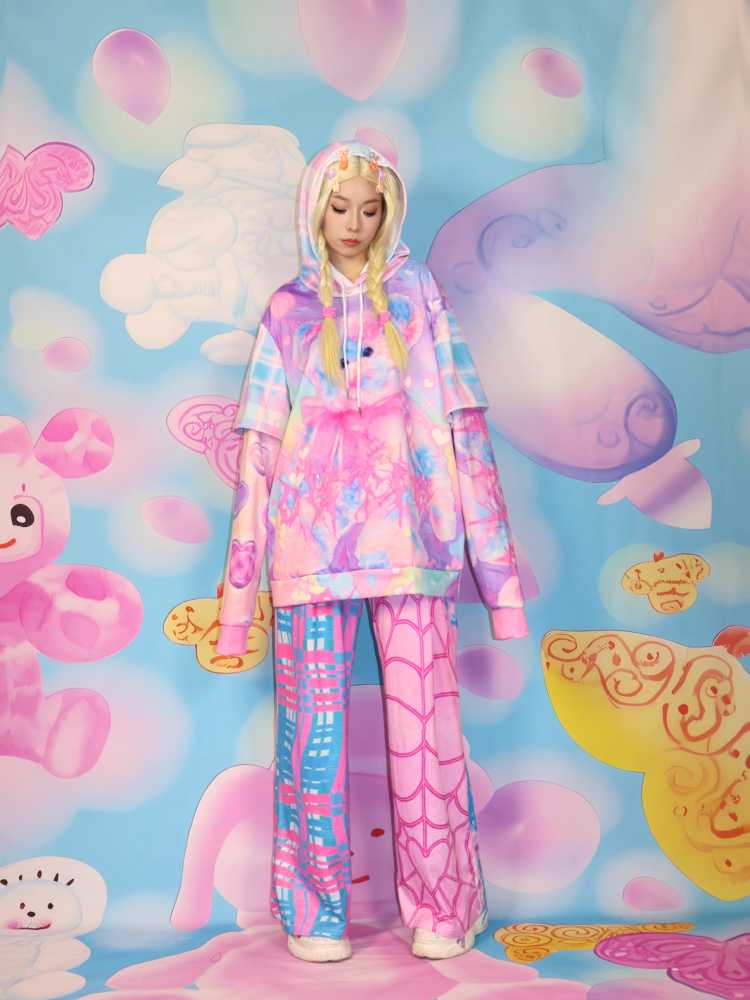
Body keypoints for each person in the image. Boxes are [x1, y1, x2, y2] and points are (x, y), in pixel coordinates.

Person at [215, 139, 528, 963]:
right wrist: (237, 607)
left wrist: (499, 582)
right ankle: (315, 911)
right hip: (307, 554)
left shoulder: (420, 297)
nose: (353, 223)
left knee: (427, 739)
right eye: (338, 206)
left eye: (369, 207)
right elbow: (258, 451)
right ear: (314, 209)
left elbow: (464, 428)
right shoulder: (289, 310)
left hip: (415, 543)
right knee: (310, 743)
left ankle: (443, 906)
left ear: (388, 212)